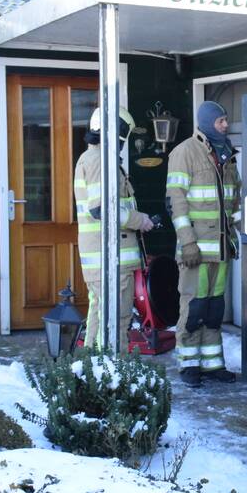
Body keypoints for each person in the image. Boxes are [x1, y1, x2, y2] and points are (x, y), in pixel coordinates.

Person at [166, 101, 240, 387]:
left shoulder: (227, 155)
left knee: (213, 309)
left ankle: (212, 364)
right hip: (195, 251)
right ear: (208, 123)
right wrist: (187, 244)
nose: (225, 125)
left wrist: (234, 233)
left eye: (225, 121)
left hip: (221, 251)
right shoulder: (184, 153)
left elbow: (234, 198)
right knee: (194, 308)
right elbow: (177, 201)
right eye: (221, 121)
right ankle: (189, 365)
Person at [74, 107, 154, 352]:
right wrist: (142, 220)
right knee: (113, 321)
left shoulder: (97, 158)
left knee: (102, 317)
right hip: (107, 262)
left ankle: (94, 370)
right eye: (123, 133)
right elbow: (101, 210)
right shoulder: (99, 160)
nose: (123, 141)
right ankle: (105, 374)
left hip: (109, 261)